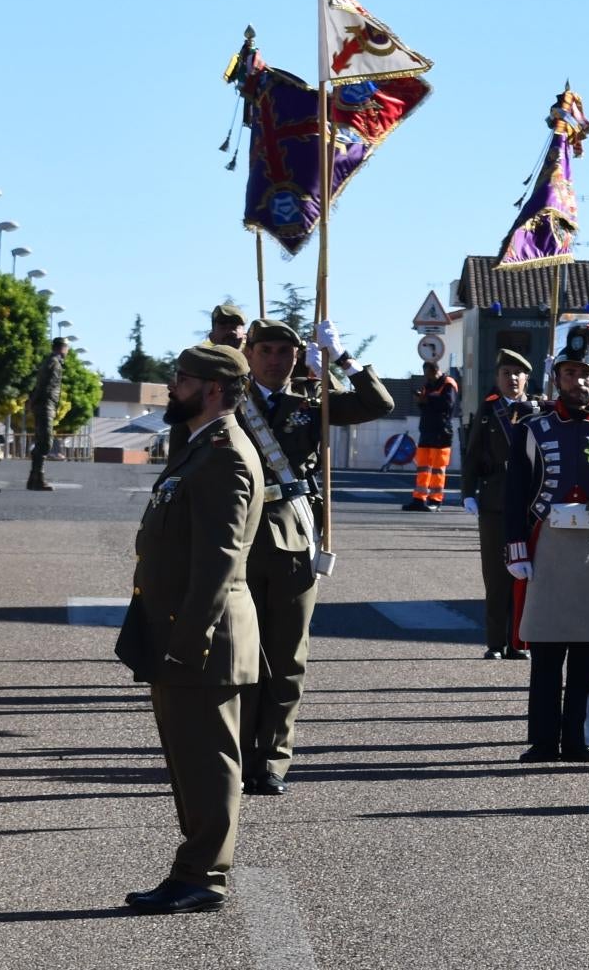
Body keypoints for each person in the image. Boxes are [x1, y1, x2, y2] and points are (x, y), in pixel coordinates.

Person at [114, 344, 266, 912]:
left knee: (209, 761)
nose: (173, 387)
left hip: (204, 635)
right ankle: (194, 867)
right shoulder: (201, 446)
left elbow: (219, 561)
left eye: (182, 379)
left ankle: (203, 874)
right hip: (181, 630)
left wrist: (188, 639)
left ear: (215, 388)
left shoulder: (225, 454)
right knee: (190, 759)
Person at [232, 316, 395, 795]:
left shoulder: (312, 405)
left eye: (285, 353)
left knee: (286, 659)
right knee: (241, 656)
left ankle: (273, 761)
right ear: (250, 354)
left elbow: (377, 404)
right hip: (237, 542)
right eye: (266, 352)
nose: (276, 362)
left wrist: (339, 360)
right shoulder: (230, 401)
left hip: (295, 541)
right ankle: (237, 758)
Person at [507, 323, 589, 764]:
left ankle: (580, 738)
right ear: (557, 378)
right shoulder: (532, 428)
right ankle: (542, 740)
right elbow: (516, 492)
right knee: (548, 647)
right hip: (548, 542)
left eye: (587, 374)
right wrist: (516, 545)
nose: (580, 382)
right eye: (571, 373)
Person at [462, 350, 534, 660]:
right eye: (506, 373)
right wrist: (468, 491)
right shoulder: (489, 410)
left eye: (518, 373)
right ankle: (495, 642)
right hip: (494, 501)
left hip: (530, 502)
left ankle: (519, 641)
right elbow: (473, 453)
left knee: (526, 573)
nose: (512, 378)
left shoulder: (538, 409)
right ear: (497, 378)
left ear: (527, 378)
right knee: (496, 574)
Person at [407, 364, 459, 510]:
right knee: (423, 467)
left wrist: (428, 399)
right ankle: (419, 499)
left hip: (441, 431)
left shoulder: (448, 384)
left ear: (435, 371)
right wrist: (421, 400)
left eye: (428, 374)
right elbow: (424, 406)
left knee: (438, 468)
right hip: (426, 429)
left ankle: (435, 501)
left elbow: (448, 405)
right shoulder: (428, 385)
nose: (426, 377)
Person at [26, 336, 65, 491]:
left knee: (42, 441)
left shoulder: (50, 361)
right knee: (45, 442)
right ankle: (37, 479)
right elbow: (46, 386)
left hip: (44, 404)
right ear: (62, 348)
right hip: (46, 405)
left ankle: (34, 478)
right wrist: (35, 401)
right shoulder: (54, 363)